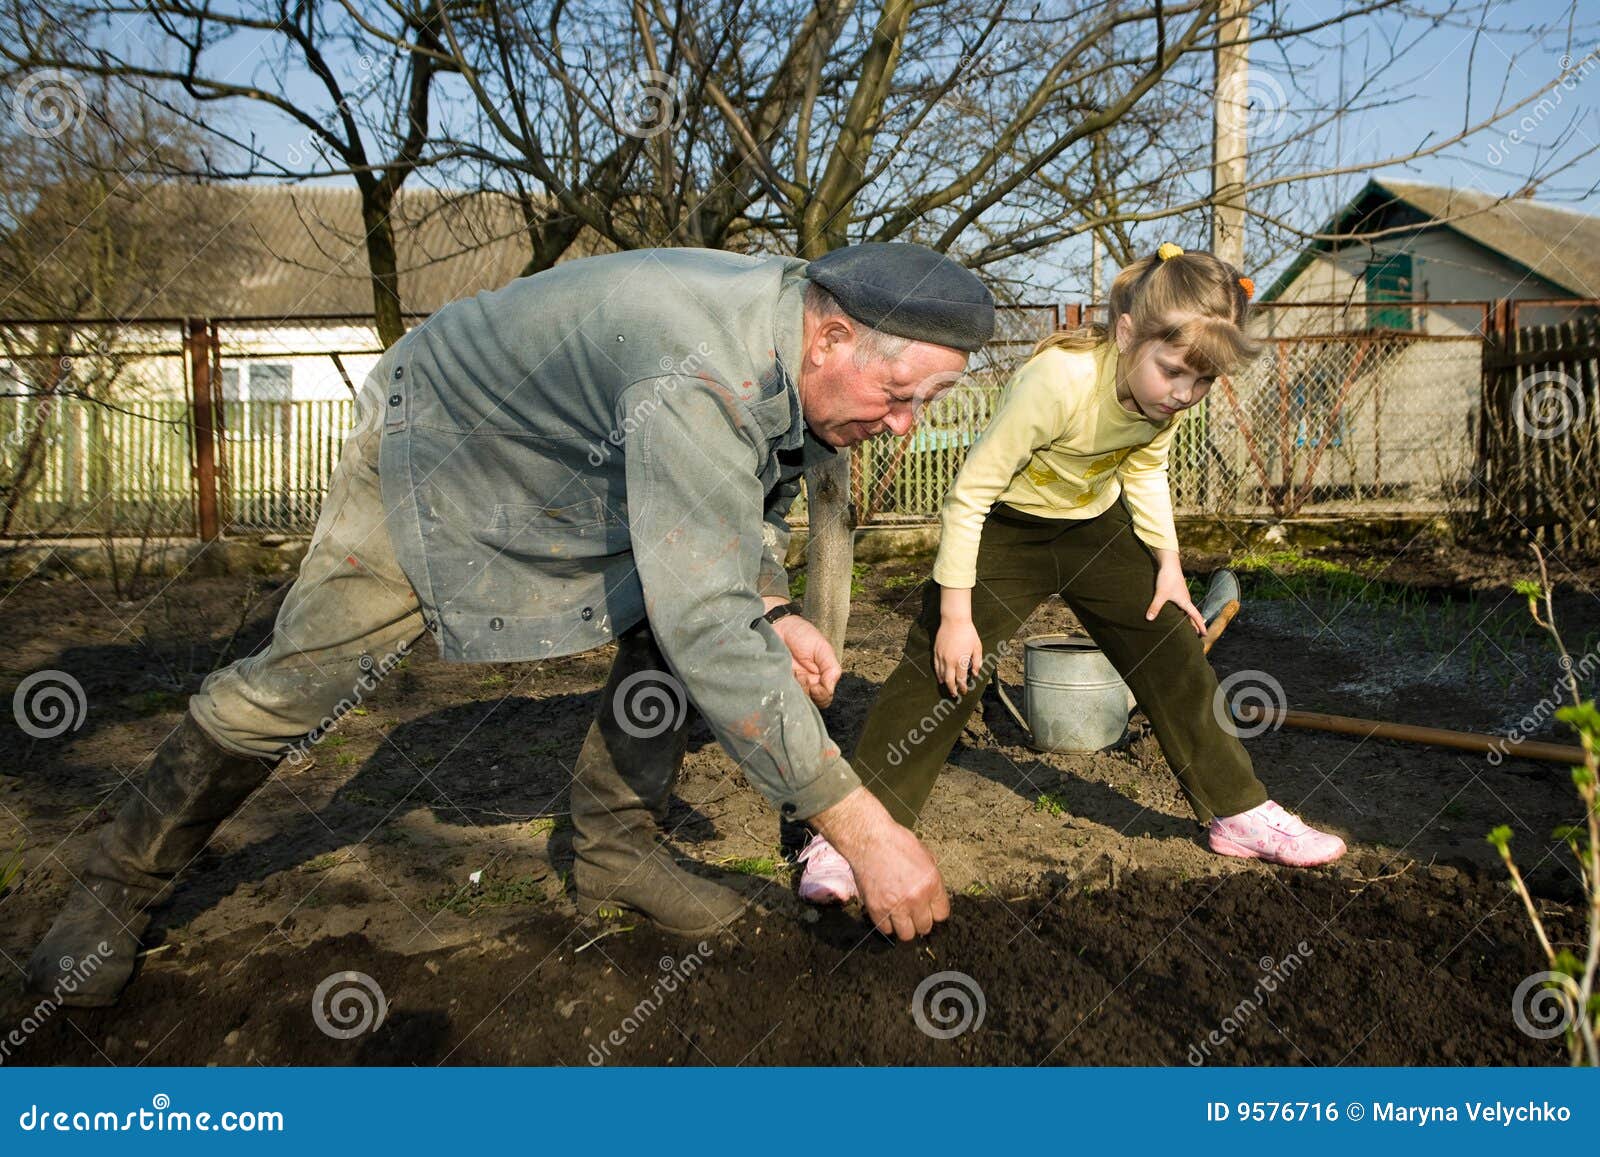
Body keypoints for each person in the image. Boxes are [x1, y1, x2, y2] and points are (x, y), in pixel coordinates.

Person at [27, 242, 995, 1006]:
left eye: (927, 403)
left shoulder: (796, 344)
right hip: (446, 439)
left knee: (679, 620)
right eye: (899, 398)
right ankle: (114, 888)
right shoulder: (704, 366)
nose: (906, 426)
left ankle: (616, 853)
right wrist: (861, 827)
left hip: (591, 451)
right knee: (305, 679)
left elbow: (747, 497)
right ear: (828, 340)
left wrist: (774, 602)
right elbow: (707, 613)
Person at [795, 243, 1345, 906]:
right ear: (1126, 335)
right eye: (1174, 372)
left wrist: (1169, 567)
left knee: (1171, 642)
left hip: (1092, 526)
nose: (1184, 393)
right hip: (1005, 526)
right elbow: (970, 492)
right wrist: (957, 618)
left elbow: (1143, 469)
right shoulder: (1059, 381)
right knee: (944, 670)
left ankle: (1239, 809)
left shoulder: (1165, 403)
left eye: (1202, 383)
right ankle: (855, 832)